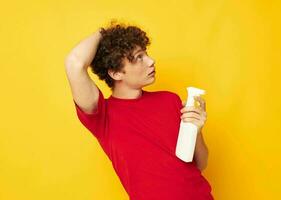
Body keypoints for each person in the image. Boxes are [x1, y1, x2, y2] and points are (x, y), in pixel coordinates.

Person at [64, 21, 213, 200]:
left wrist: (196, 131)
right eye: (139, 57)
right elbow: (74, 63)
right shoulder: (102, 116)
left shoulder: (169, 100)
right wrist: (105, 33)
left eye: (146, 54)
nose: (151, 61)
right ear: (115, 73)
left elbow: (199, 164)